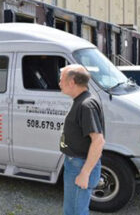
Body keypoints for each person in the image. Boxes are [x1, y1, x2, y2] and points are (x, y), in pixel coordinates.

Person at [58, 64, 105, 215]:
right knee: (71, 210)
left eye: (61, 80)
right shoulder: (81, 100)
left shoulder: (86, 105)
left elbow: (98, 141)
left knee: (75, 211)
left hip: (80, 165)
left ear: (72, 82)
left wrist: (84, 173)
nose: (59, 83)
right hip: (75, 163)